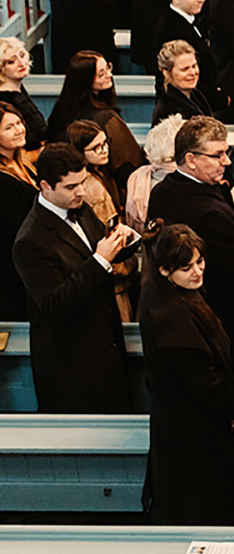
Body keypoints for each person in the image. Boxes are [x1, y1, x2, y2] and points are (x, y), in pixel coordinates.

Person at [138, 223, 234, 525]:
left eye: (199, 261)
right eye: (186, 267)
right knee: (205, 509)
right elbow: (204, 382)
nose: (197, 271)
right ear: (165, 270)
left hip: (195, 419)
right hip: (191, 429)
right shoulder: (169, 317)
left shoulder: (175, 293)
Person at [12, 142, 136, 413]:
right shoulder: (30, 240)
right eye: (71, 186)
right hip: (71, 363)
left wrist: (125, 242)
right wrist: (101, 259)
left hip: (105, 345)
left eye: (82, 182)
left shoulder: (80, 207)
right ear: (45, 186)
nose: (81, 191)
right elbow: (56, 303)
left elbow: (96, 249)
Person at [146, 116, 234, 337]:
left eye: (227, 152)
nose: (227, 162)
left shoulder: (161, 190)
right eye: (217, 155)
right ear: (191, 159)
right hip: (215, 320)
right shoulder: (211, 214)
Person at [45, 52, 145, 191]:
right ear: (85, 80)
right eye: (101, 74)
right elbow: (128, 162)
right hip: (103, 185)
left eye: (108, 68)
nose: (109, 75)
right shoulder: (106, 118)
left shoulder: (62, 109)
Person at [0, 99, 40, 316]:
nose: (19, 130)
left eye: (19, 123)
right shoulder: (3, 181)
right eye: (9, 127)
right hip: (13, 266)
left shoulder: (24, 162)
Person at [153, 40, 215, 125]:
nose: (193, 73)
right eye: (185, 69)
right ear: (166, 73)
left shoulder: (197, 96)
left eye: (194, 66)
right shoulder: (167, 111)